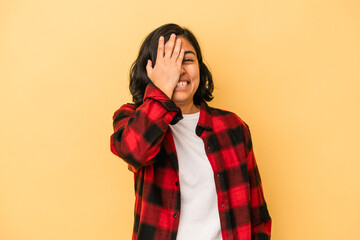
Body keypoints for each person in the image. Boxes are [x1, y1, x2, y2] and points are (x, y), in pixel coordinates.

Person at [110, 23, 271, 240]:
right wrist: (161, 90)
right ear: (150, 71)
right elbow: (134, 151)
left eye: (187, 60)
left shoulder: (233, 127)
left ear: (200, 67)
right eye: (168, 62)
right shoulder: (132, 118)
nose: (179, 70)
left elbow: (257, 216)